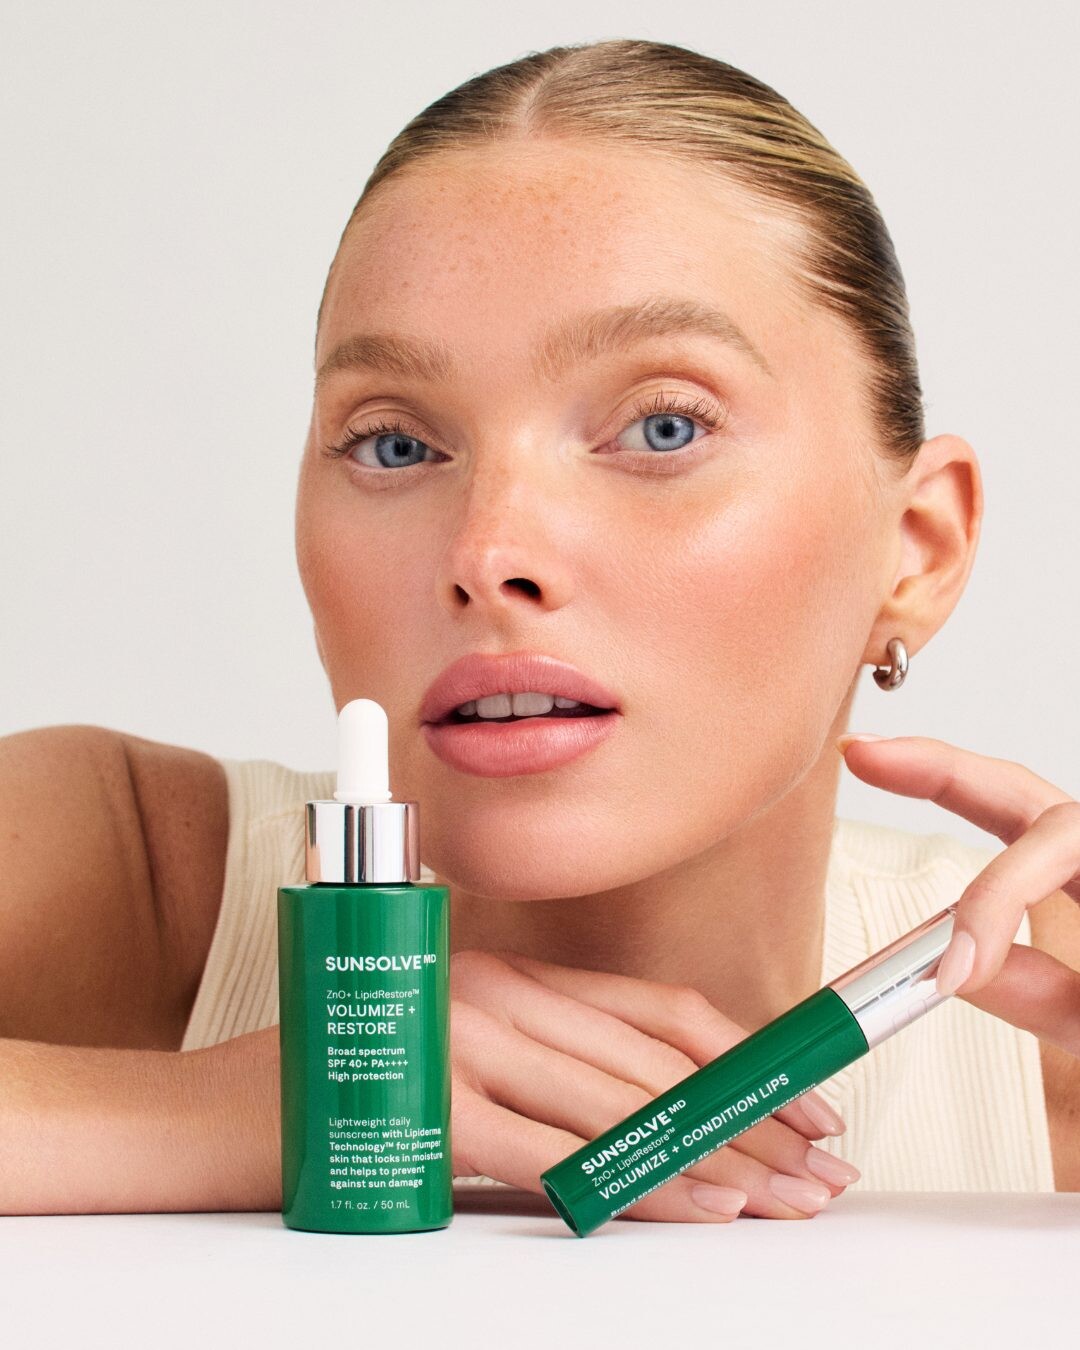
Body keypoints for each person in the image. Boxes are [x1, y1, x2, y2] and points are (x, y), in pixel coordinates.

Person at [2, 37, 1078, 1221]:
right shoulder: (127, 878)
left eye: (664, 427)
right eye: (395, 444)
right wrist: (295, 1095)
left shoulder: (1051, 1028)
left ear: (918, 547)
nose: (487, 552)